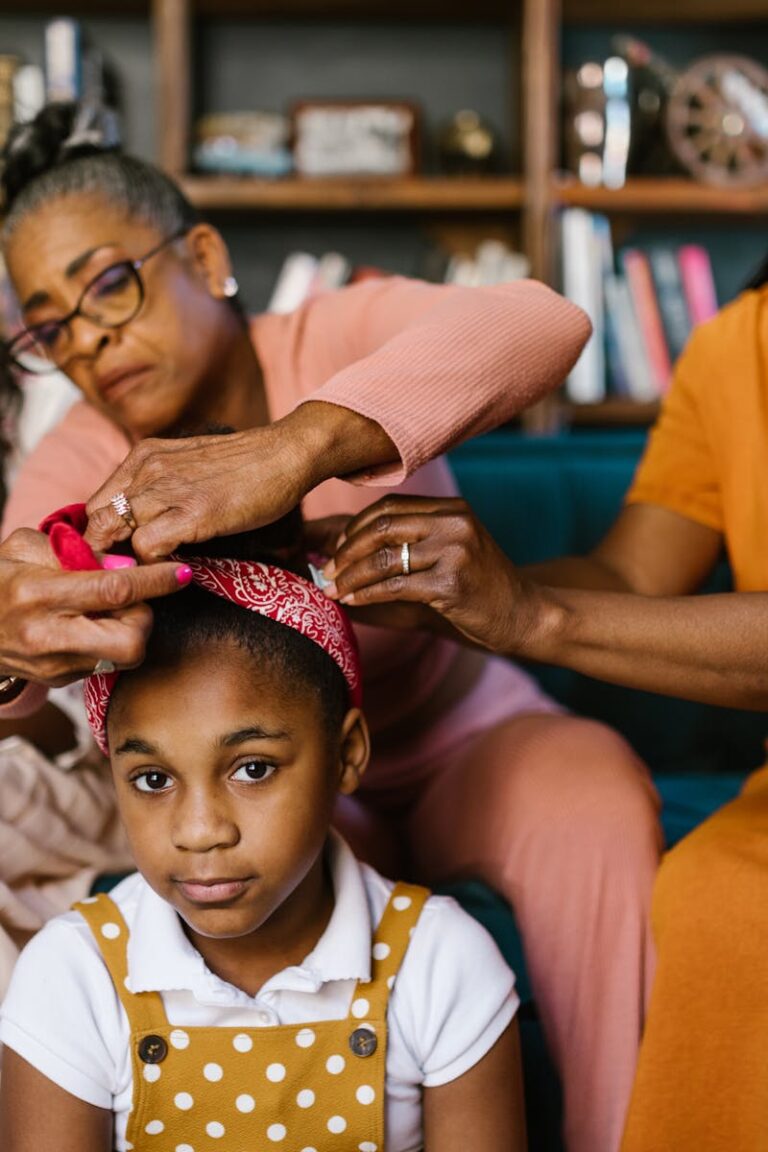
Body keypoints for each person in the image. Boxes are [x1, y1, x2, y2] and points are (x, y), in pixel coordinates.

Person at [0, 101, 662, 1152]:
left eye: (108, 286)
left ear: (204, 255)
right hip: (274, 773)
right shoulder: (78, 466)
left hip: (465, 731)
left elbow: (543, 320)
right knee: (257, 875)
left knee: (595, 800)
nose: (90, 340)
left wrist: (296, 450)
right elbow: (39, 688)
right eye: (50, 326)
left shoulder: (328, 339)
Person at [314, 264, 768, 1151]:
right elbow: (635, 577)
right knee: (718, 896)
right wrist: (441, 593)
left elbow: (526, 324)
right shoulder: (731, 347)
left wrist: (533, 615)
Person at [0, 508, 525, 1152]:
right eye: (153, 780)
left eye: (252, 768)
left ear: (348, 755)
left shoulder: (439, 963)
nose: (199, 832)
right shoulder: (74, 973)